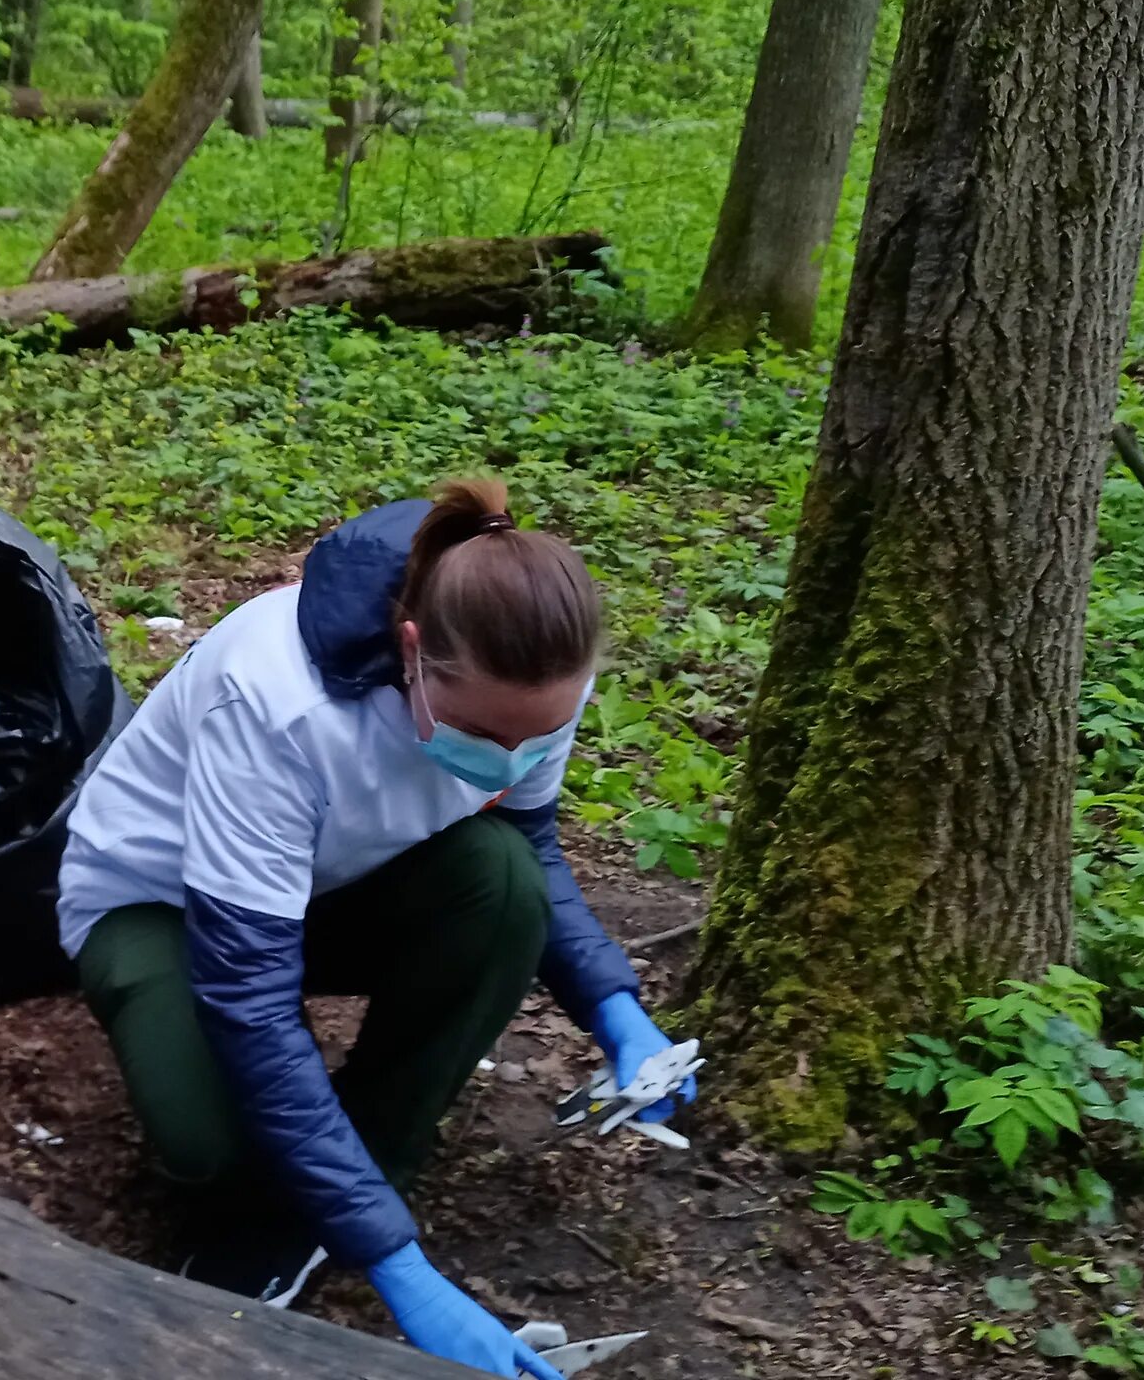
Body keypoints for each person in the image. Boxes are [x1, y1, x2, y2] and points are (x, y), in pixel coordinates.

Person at [56, 480, 691, 1378]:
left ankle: (367, 1167)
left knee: (503, 885)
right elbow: (250, 998)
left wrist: (613, 1005)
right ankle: (321, 1207)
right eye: (481, 734)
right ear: (410, 651)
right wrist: (397, 1266)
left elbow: (530, 844)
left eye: (536, 739)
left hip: (331, 885)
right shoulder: (276, 706)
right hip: (163, 901)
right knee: (211, 1148)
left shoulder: (539, 681)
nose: (512, 759)